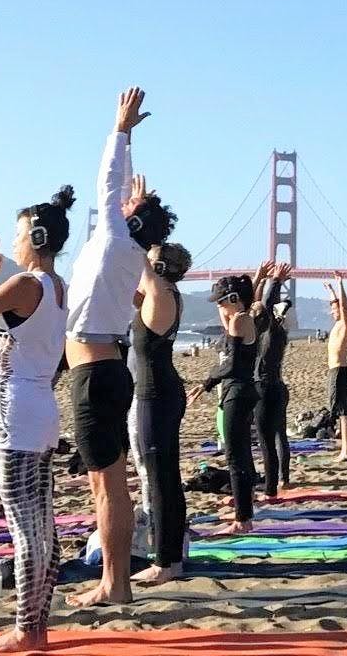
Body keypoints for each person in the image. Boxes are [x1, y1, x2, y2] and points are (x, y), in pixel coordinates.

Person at [0, 187, 73, 655]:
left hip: (14, 417)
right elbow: (8, 324)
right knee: (44, 527)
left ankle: (26, 628)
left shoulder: (28, 284)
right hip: (36, 409)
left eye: (20, 234)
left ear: (38, 237)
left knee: (27, 530)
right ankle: (37, 625)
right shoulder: (55, 287)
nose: (15, 244)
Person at [63, 88, 156, 612]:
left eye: (129, 208)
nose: (121, 206)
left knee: (108, 489)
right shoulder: (128, 250)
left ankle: (115, 583)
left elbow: (107, 186)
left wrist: (120, 130)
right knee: (108, 484)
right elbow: (118, 193)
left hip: (96, 375)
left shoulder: (117, 242)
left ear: (131, 220)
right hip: (105, 369)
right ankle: (113, 580)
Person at [129, 229, 192, 586]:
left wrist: (137, 229)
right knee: (165, 476)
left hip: (156, 395)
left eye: (152, 263)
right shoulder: (163, 295)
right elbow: (129, 291)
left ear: (160, 267)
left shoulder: (161, 293)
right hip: (161, 391)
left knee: (160, 479)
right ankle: (171, 557)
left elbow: (138, 260)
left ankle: (165, 561)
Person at [196, 274, 259, 533]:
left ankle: (242, 520)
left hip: (237, 393)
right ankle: (245, 511)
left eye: (222, 302)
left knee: (235, 456)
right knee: (241, 454)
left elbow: (231, 365)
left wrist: (206, 382)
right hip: (243, 392)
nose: (219, 308)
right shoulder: (243, 319)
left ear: (234, 299)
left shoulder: (239, 321)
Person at [253, 263, 295, 498]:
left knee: (266, 438)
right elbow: (260, 305)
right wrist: (260, 279)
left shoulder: (266, 331)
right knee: (279, 435)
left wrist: (275, 282)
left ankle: (270, 487)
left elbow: (264, 306)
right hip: (278, 386)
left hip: (264, 387)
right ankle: (284, 479)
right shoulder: (279, 332)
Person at [325, 283, 347, 459]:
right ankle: (346, 449)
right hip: (335, 371)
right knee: (341, 412)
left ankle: (346, 451)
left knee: (344, 412)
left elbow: (343, 305)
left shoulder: (344, 324)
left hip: (339, 370)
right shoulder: (337, 324)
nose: (333, 311)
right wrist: (330, 290)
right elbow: (337, 304)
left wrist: (339, 284)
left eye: (335, 309)